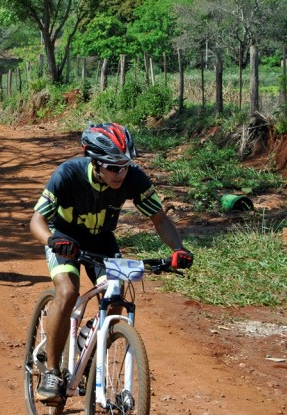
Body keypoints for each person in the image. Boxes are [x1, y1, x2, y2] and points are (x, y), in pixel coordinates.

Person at [29, 122, 193, 404]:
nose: (121, 173)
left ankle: (89, 348)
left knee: (115, 296)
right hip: (65, 239)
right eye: (113, 167)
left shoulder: (134, 179)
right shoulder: (67, 175)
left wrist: (178, 248)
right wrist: (51, 240)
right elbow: (37, 221)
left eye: (126, 166)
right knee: (67, 292)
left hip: (102, 240)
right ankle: (53, 371)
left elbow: (159, 219)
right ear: (94, 161)